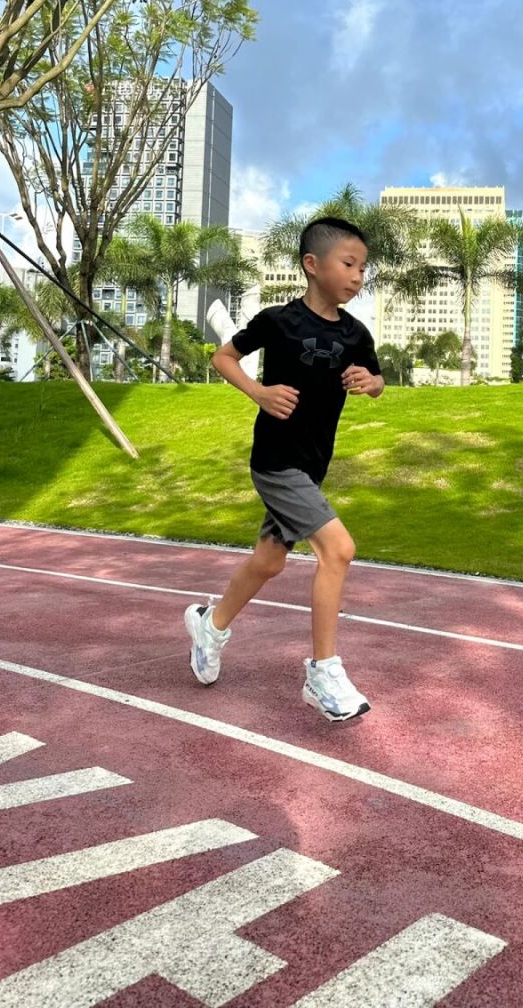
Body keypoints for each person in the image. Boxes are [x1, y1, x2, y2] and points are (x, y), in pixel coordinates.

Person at [184, 216, 384, 722]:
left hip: (313, 465)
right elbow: (223, 357)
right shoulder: (278, 321)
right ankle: (323, 672)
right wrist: (258, 391)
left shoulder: (357, 333)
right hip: (276, 462)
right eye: (349, 263)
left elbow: (378, 381)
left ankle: (210, 625)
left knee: (271, 561)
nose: (358, 275)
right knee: (338, 549)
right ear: (312, 265)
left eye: (363, 267)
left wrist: (369, 381)